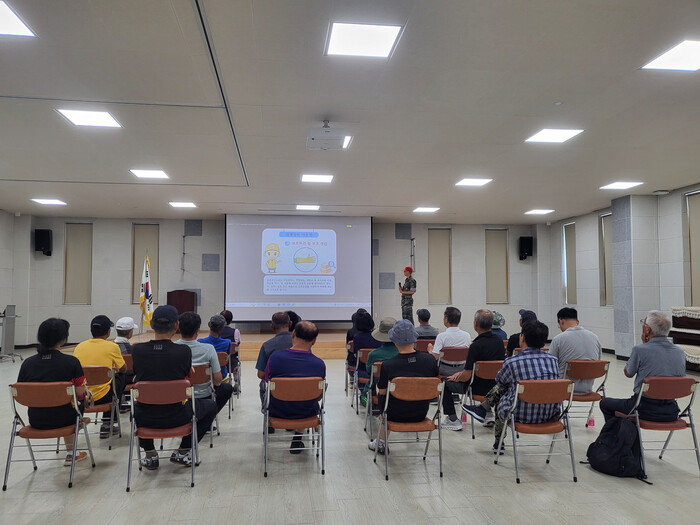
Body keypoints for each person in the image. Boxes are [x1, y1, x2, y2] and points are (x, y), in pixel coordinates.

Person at [131, 305, 217, 469]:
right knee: (211, 405)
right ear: (177, 325)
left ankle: (150, 454)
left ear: (151, 324)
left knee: (135, 409)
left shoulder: (138, 350)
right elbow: (188, 377)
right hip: (179, 415)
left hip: (145, 417)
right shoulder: (183, 351)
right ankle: (183, 451)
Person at [463, 320, 559, 454]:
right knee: (512, 387)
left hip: (519, 414)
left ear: (522, 337)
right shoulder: (553, 361)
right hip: (549, 414)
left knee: (503, 393)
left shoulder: (512, 361)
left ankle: (498, 441)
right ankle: (483, 408)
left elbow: (499, 380)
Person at [17, 318, 88, 465]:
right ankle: (72, 453)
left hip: (36, 419)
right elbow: (80, 394)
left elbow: (21, 392)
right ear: (63, 339)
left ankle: (71, 452)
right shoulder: (71, 362)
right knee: (76, 403)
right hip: (66, 419)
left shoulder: (27, 364)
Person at [599, 310, 686, 423]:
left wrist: (644, 345)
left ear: (647, 329)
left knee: (605, 403)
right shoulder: (680, 352)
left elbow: (628, 373)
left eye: (643, 323)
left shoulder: (639, 350)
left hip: (642, 409)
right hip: (671, 411)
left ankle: (620, 434)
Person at [368, 319, 439, 455]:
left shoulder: (388, 365)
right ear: (414, 338)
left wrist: (377, 388)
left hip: (394, 415)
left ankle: (381, 442)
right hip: (420, 413)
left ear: (394, 341)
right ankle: (381, 441)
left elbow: (382, 392)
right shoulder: (429, 360)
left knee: (381, 391)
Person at [265, 321, 326, 453]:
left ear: (293, 334)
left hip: (278, 412)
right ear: (314, 341)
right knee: (306, 396)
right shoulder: (319, 364)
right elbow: (319, 394)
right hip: (308, 413)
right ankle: (298, 437)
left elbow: (267, 383)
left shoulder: (275, 358)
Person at [440, 309, 505, 430]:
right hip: (495, 388)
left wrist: (457, 376)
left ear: (476, 324)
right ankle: (488, 414)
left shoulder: (475, 346)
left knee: (444, 383)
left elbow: (467, 377)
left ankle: (452, 419)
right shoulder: (499, 342)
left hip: (476, 388)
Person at [73, 315, 126, 439]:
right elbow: (123, 368)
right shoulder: (112, 346)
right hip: (104, 396)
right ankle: (109, 421)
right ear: (108, 332)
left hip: (82, 396)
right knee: (120, 377)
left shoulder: (79, 347)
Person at [177, 312, 233, 416]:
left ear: (178, 328)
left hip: (180, 394)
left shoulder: (173, 348)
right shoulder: (208, 349)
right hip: (204, 394)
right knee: (227, 388)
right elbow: (218, 381)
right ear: (197, 331)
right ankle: (207, 416)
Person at [548, 307, 603, 394]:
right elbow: (598, 361)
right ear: (577, 321)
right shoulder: (595, 337)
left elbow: (550, 365)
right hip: (587, 389)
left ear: (561, 321)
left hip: (564, 389)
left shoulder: (558, 339)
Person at [256, 312, 294, 423]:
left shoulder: (267, 346)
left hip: (275, 390)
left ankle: (270, 417)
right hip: (299, 391)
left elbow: (261, 374)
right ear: (290, 324)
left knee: (263, 384)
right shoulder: (301, 345)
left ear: (272, 326)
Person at [361, 317, 399, 404]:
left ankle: (368, 403)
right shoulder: (402, 354)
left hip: (376, 387)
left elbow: (369, 371)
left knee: (363, 397)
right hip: (400, 388)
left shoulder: (373, 354)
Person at [428, 307, 472, 377]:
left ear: (446, 319)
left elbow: (435, 357)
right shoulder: (467, 335)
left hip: (445, 370)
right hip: (462, 370)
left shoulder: (441, 336)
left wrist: (430, 350)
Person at [350, 310, 382, 380]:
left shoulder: (357, 337)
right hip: (379, 370)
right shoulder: (378, 336)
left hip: (363, 369)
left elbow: (355, 354)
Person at [198, 315, 231, 379]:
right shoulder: (227, 343)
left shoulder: (200, 342)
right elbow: (227, 357)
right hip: (222, 376)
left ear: (209, 325)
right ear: (222, 328)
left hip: (205, 376)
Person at [114, 316, 135, 412]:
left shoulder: (108, 348)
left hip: (111, 381)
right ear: (130, 333)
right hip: (129, 379)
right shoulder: (133, 350)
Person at [219, 310, 241, 392]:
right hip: (232, 362)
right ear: (231, 320)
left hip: (218, 362)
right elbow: (237, 344)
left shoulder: (216, 332)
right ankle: (236, 385)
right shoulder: (235, 331)